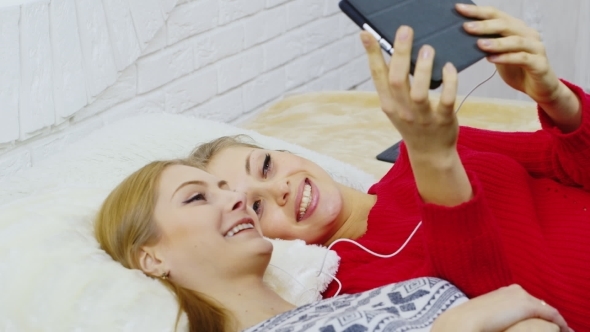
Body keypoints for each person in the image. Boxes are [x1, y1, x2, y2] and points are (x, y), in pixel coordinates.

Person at [188, 4, 590, 330]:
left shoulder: (425, 150)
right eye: (256, 208)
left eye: (266, 166)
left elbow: (569, 165)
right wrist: (436, 160)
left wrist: (555, 98)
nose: (280, 189)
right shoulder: (349, 296)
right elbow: (494, 306)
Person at [94, 159, 571, 332]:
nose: (237, 198)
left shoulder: (365, 297)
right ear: (150, 257)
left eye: (228, 187)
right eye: (198, 197)